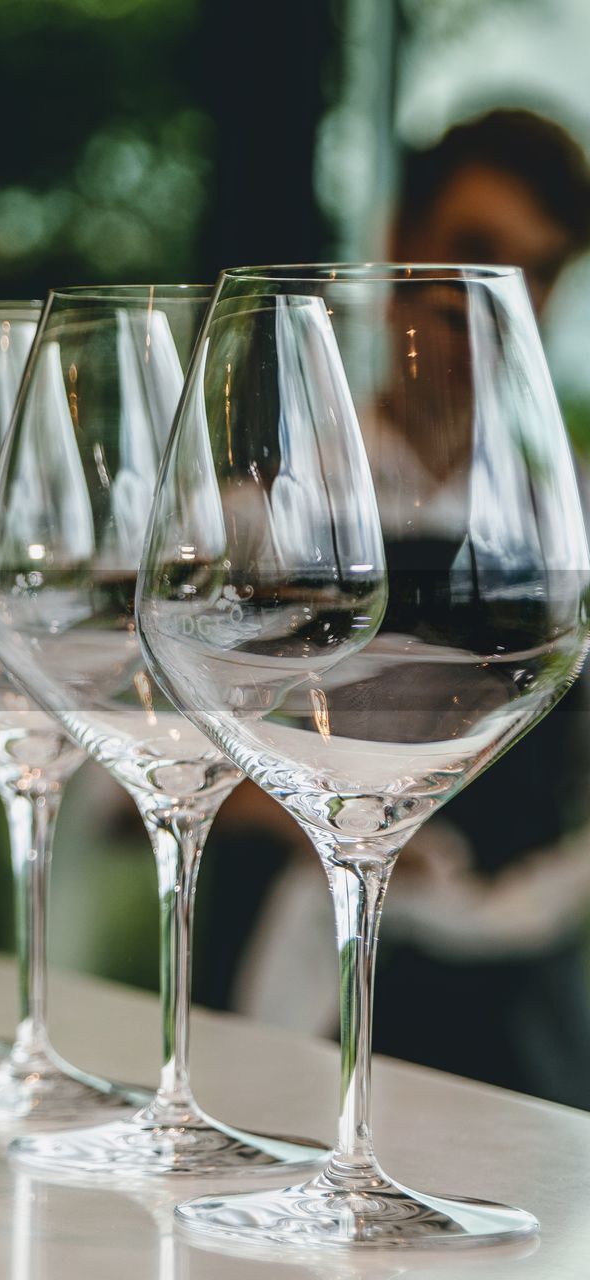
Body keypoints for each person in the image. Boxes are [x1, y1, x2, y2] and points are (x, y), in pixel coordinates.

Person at [194, 107, 590, 1109]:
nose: (480, 297)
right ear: (393, 245)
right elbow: (143, 737)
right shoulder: (267, 510)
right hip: (290, 954)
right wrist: (321, 809)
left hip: (515, 980)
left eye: (536, 269)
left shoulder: (569, 521)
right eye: (468, 249)